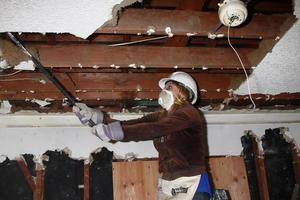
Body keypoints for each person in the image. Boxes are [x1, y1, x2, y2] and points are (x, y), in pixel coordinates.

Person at [73, 71, 211, 200]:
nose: (164, 91)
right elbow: (132, 124)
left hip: (192, 184)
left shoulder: (189, 113)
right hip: (168, 182)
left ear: (184, 91)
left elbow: (154, 129)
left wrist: (117, 133)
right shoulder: (162, 116)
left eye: (169, 86)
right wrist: (98, 118)